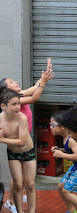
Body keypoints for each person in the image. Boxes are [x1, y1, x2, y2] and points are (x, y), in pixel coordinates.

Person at [0, 58, 53, 213]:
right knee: (17, 180)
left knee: (25, 182)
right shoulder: (16, 102)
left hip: (26, 148)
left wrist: (44, 77)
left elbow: (34, 88)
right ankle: (11, 201)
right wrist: (43, 81)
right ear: (5, 94)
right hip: (15, 149)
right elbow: (35, 97)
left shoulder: (19, 95)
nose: (16, 82)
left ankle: (13, 200)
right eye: (11, 82)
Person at [0, 89, 36, 213]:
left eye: (19, 104)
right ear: (3, 106)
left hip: (28, 152)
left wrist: (2, 139)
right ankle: (20, 211)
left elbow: (22, 142)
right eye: (14, 104)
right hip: (13, 154)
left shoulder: (21, 118)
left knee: (30, 185)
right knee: (18, 184)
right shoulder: (0, 119)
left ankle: (31, 211)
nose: (17, 107)